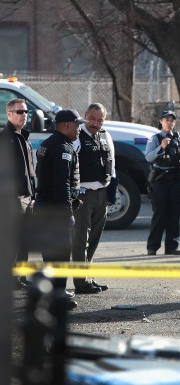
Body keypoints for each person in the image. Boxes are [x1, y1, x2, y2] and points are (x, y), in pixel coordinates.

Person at [35, 109, 86, 310]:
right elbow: (62, 183)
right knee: (60, 254)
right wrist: (67, 212)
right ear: (66, 126)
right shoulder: (62, 148)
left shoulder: (47, 144)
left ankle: (52, 294)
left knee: (50, 254)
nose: (79, 128)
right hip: (56, 211)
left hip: (44, 207)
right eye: (77, 125)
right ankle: (57, 297)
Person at [70, 103, 116, 294]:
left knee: (94, 239)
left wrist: (110, 194)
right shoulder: (76, 137)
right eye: (92, 118)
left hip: (101, 194)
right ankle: (81, 282)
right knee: (81, 239)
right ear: (85, 115)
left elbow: (112, 165)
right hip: (83, 195)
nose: (95, 123)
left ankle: (88, 276)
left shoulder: (105, 136)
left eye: (100, 120)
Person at [145, 109, 180, 255]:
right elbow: (148, 157)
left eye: (172, 120)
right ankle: (152, 247)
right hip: (160, 179)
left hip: (176, 178)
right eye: (167, 120)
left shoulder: (179, 138)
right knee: (160, 213)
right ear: (161, 122)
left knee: (174, 213)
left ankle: (172, 246)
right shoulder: (154, 139)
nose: (170, 123)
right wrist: (162, 147)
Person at [0, 99, 35, 289]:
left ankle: (20, 278)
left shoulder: (22, 137)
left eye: (26, 112)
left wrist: (33, 195)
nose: (24, 115)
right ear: (10, 114)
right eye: (19, 112)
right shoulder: (5, 138)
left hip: (27, 197)